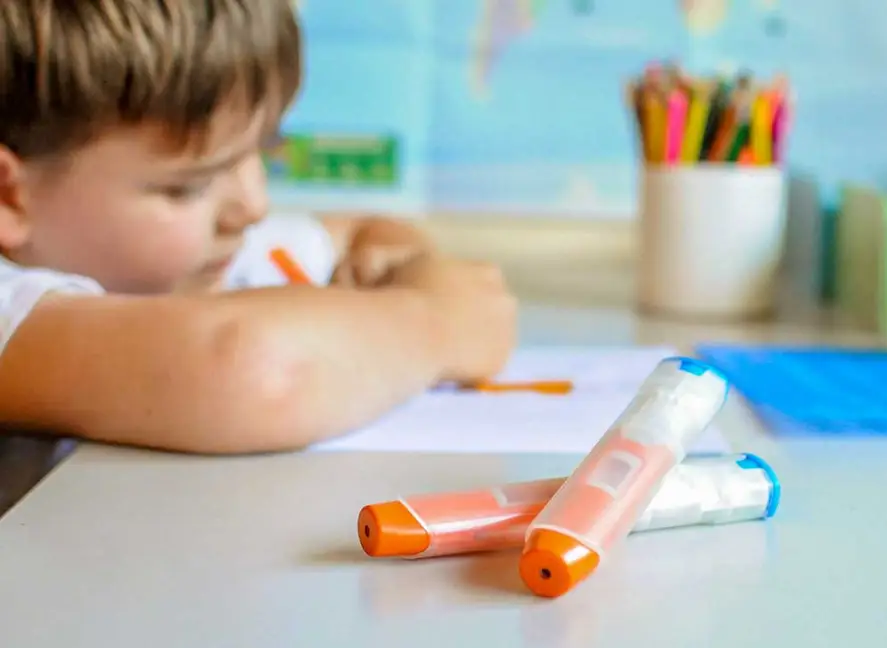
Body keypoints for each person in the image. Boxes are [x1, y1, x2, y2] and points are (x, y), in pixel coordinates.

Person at [0, 1, 518, 454]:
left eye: (261, 153)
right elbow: (246, 370)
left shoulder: (201, 255)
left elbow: (365, 232)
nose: (253, 207)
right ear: (10, 197)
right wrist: (434, 321)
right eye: (189, 187)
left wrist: (398, 266)